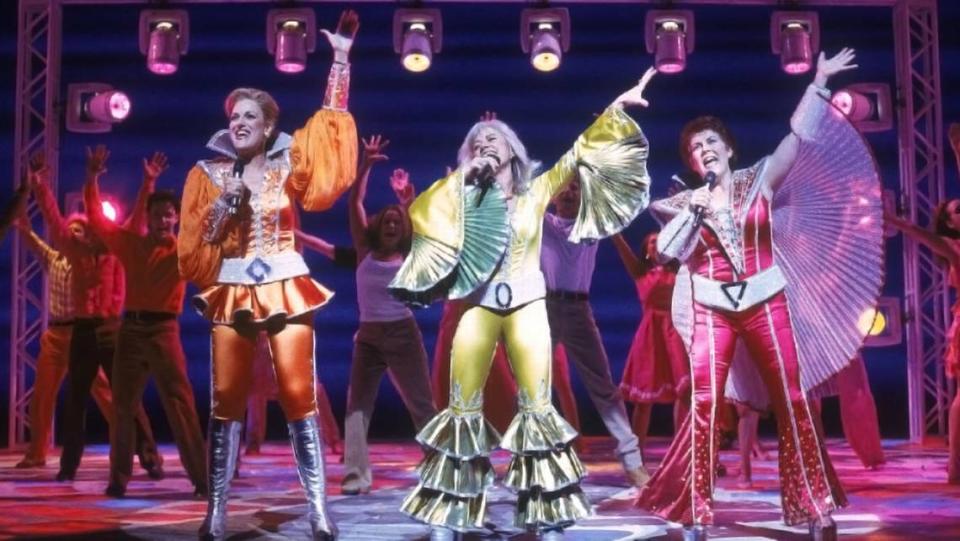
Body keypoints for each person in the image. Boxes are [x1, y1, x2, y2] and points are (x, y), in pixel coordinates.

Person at [391, 69, 656, 540]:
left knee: (537, 410)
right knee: (461, 408)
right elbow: (421, 214)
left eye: (493, 139)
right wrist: (463, 181)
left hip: (530, 305)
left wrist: (616, 107)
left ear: (513, 149)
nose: (485, 145)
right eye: (476, 143)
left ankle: (546, 515)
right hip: (478, 307)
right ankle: (450, 517)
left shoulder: (536, 193)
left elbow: (578, 153)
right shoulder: (459, 197)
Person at [636, 49, 884, 541]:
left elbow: (798, 139)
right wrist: (696, 210)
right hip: (712, 306)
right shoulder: (684, 202)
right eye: (693, 148)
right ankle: (693, 512)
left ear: (728, 148)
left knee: (792, 399)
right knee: (704, 403)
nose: (703, 149)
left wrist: (817, 83)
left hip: (765, 300)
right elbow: (665, 254)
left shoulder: (759, 180)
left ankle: (814, 507)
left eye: (710, 142)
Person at [177, 10, 359, 540]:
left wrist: (341, 59)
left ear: (269, 127)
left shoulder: (287, 166)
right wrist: (223, 206)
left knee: (299, 393)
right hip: (233, 286)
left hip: (284, 281)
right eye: (234, 115)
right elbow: (195, 250)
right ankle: (215, 511)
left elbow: (328, 132)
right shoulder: (207, 175)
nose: (239, 121)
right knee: (227, 397)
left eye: (250, 116)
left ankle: (319, 510)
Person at [298, 139, 437, 496]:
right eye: (387, 220)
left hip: (404, 335)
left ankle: (440, 467)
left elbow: (422, 227)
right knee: (357, 406)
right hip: (369, 338)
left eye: (396, 222)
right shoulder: (364, 249)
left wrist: (408, 202)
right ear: (378, 226)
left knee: (421, 403)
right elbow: (354, 202)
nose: (391, 225)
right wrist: (366, 164)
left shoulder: (410, 253)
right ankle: (356, 476)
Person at [12, 160, 160, 474]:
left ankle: (143, 451)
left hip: (104, 331)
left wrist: (147, 185)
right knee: (52, 397)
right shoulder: (62, 255)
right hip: (64, 334)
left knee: (115, 396)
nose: (78, 235)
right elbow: (52, 221)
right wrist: (38, 186)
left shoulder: (114, 253)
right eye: (74, 231)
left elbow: (134, 224)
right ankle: (47, 456)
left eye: (83, 230)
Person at [83, 146, 207, 498]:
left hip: (165, 330)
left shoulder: (184, 250)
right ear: (149, 218)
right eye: (159, 215)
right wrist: (92, 177)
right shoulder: (130, 245)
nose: (164, 221)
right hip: (132, 330)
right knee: (123, 407)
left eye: (170, 216)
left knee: (180, 404)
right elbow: (96, 217)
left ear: (176, 219)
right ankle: (118, 480)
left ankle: (201, 480)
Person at [542, 177, 647, 484]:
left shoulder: (592, 223)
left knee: (603, 387)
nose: (570, 191)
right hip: (544, 308)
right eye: (564, 186)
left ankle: (632, 462)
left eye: (576, 187)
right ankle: (536, 458)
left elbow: (623, 202)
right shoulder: (541, 222)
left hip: (578, 311)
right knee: (533, 387)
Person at [886, 190, 960, 484]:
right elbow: (920, 233)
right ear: (950, 224)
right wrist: (896, 221)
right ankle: (955, 464)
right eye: (959, 210)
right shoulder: (952, 246)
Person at [612, 231, 690, 453]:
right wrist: (615, 232)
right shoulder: (640, 272)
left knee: (684, 392)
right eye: (653, 241)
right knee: (642, 400)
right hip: (650, 336)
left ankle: (683, 451)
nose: (657, 244)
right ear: (646, 251)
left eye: (661, 240)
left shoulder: (678, 269)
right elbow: (621, 246)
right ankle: (638, 458)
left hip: (675, 331)